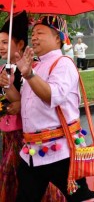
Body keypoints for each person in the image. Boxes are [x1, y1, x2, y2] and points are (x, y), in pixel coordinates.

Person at [1, 15, 94, 201]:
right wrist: (8, 85)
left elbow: (51, 96)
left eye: (40, 32)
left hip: (60, 151)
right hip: (31, 151)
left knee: (80, 198)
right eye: (33, 33)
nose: (34, 37)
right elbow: (23, 103)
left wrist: (29, 74)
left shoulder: (63, 64)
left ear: (58, 38)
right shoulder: (35, 66)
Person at [0, 12, 65, 201]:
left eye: (5, 42)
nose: (1, 47)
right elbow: (11, 99)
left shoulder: (34, 67)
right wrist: (6, 89)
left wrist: (18, 101)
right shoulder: (5, 69)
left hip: (29, 135)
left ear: (20, 44)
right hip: (9, 134)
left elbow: (33, 99)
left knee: (35, 182)